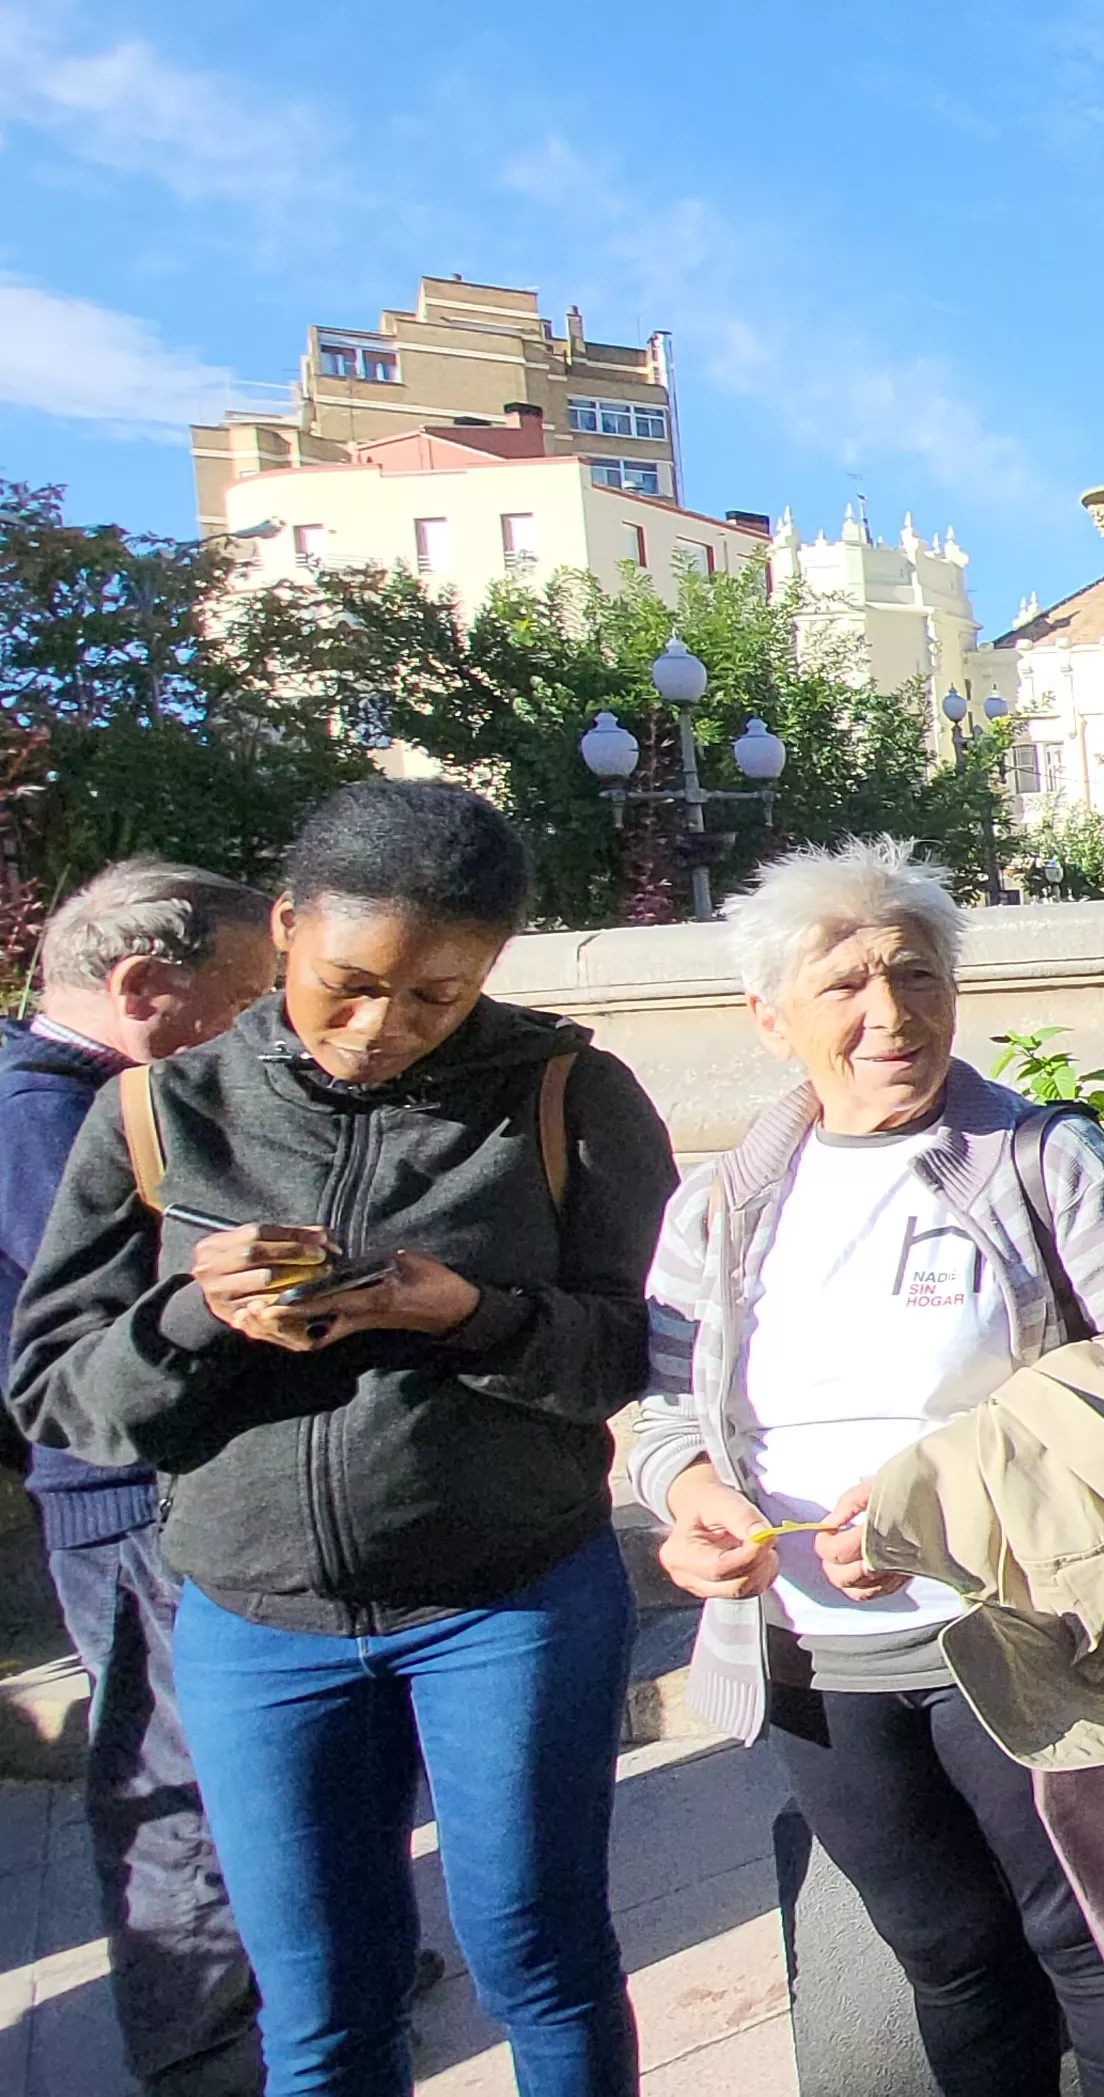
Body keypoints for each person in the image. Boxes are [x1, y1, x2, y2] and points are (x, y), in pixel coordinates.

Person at [9, 780, 681, 2097]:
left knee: (538, 1959)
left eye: (438, 996)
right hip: (257, 1623)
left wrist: (476, 1316)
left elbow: (635, 1354)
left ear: (491, 969)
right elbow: (58, 1396)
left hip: (512, 1599)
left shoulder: (567, 1094)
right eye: (349, 984)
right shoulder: (156, 1114)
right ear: (287, 928)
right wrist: (198, 1313)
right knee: (322, 2008)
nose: (384, 1028)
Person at [628, 840, 1104, 2097]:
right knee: (944, 1956)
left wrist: (951, 1482)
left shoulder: (1034, 1160)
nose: (889, 1016)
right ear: (769, 1022)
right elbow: (660, 1405)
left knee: (1093, 1945)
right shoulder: (724, 1206)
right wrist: (688, 1501)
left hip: (1025, 1628)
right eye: (843, 989)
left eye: (915, 976)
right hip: (812, 1651)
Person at [0, 858, 277, 2097]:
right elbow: (134, 1310)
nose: (265, 1028)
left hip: (127, 1489)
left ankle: (267, 1984)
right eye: (247, 996)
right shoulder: (44, 1116)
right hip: (120, 1500)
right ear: (146, 988)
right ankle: (205, 2041)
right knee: (180, 1777)